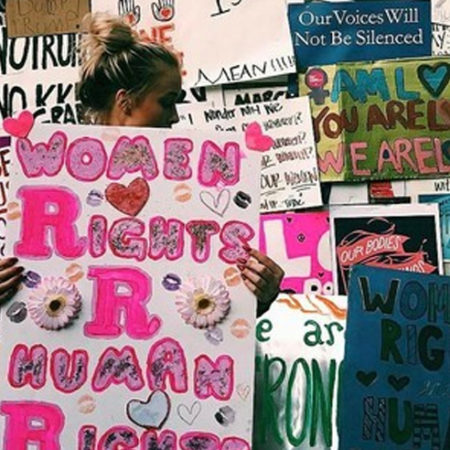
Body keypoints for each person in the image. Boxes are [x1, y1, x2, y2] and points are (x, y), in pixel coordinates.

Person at [0, 12, 284, 317]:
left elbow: (211, 309)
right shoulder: (45, 172)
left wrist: (257, 295)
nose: (175, 116)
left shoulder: (195, 187)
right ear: (126, 101)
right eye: (167, 101)